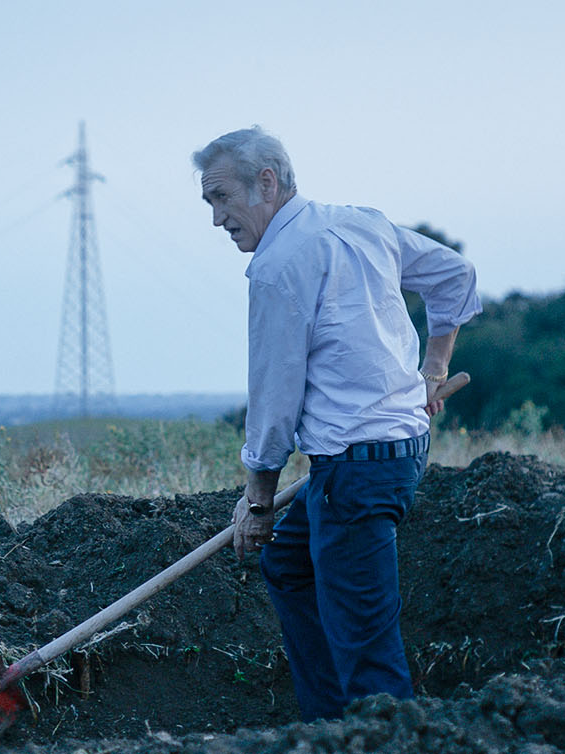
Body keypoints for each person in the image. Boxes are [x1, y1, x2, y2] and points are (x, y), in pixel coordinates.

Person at [191, 126, 480, 721]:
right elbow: (455, 275)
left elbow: (273, 398)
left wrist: (259, 499)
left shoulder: (277, 266)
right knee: (289, 565)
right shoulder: (361, 223)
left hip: (359, 469)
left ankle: (381, 730)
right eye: (209, 202)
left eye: (221, 198)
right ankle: (328, 726)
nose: (217, 218)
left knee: (369, 655)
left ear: (266, 182)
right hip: (389, 452)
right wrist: (433, 365)